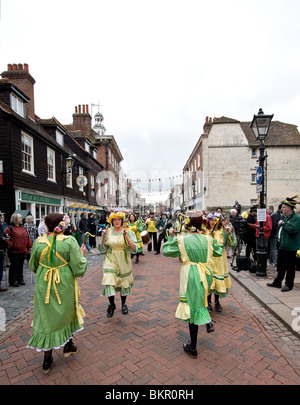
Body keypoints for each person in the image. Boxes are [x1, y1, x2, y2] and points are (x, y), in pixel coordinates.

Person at [27, 213, 87, 374]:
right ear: (61, 224)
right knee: (67, 312)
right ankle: (67, 346)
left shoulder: (39, 243)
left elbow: (33, 265)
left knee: (46, 317)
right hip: (64, 283)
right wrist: (81, 255)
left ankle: (48, 358)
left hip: (43, 283)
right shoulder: (69, 242)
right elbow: (78, 267)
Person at [163, 211, 223, 358]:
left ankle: (193, 346)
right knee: (201, 301)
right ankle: (206, 321)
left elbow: (166, 251)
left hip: (190, 274)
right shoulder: (208, 239)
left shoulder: (183, 239)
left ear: (188, 224)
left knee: (191, 307)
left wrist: (171, 236)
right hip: (206, 273)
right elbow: (218, 251)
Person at [98, 212, 138, 318]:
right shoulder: (108, 231)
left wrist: (127, 237)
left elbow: (135, 249)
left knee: (123, 283)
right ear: (111, 221)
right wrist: (103, 238)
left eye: (119, 219)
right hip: (110, 259)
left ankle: (123, 304)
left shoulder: (128, 231)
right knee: (109, 281)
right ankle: (112, 305)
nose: (116, 221)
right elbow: (102, 249)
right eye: (114, 220)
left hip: (123, 259)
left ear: (122, 221)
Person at [267, 196, 300, 292]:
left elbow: (292, 230)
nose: (282, 209)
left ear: (289, 208)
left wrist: (283, 224)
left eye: (284, 207)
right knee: (281, 266)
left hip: (290, 247)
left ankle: (289, 284)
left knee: (290, 267)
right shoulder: (285, 217)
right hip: (282, 246)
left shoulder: (296, 218)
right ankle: (277, 282)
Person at [205, 213, 232, 313]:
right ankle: (207, 302)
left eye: (215, 220)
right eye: (211, 220)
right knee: (209, 280)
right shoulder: (205, 231)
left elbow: (231, 243)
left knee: (217, 280)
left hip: (220, 260)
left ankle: (217, 302)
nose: (213, 222)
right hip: (208, 260)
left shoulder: (222, 231)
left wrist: (229, 234)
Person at [5, 213, 32, 287]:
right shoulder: (10, 228)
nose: (22, 219)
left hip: (22, 250)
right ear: (16, 219)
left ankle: (20, 279)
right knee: (14, 266)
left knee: (20, 265)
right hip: (13, 251)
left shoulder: (23, 228)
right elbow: (5, 237)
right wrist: (11, 244)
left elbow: (27, 237)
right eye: (20, 218)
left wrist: (29, 245)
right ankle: (12, 280)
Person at [0, 213, 8, 292]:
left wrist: (5, 237)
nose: (2, 218)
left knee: (1, 267)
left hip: (2, 249)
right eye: (1, 217)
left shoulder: (2, 225)